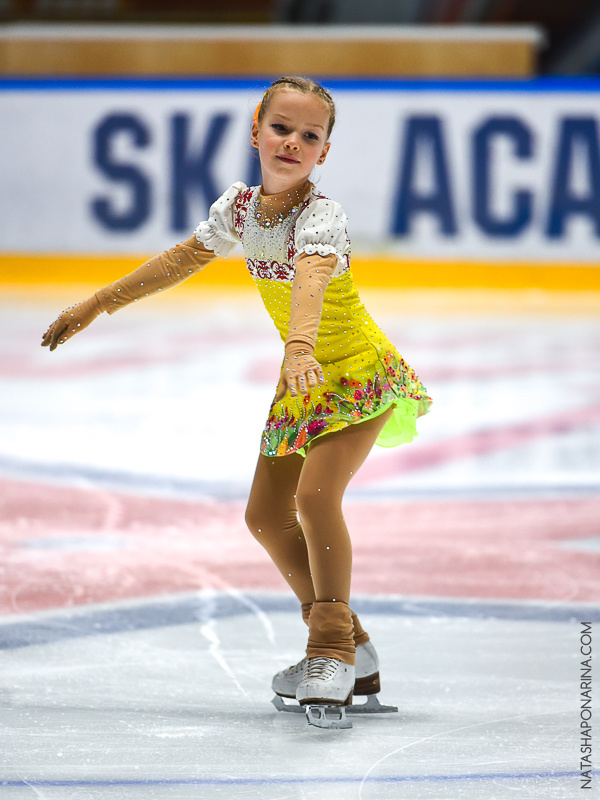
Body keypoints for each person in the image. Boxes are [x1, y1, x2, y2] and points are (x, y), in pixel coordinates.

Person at [42, 75, 431, 726]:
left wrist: (301, 347)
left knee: (314, 499)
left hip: (355, 373)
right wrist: (95, 304)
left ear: (324, 154)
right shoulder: (241, 210)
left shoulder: (321, 216)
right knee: (264, 515)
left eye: (311, 136)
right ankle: (353, 647)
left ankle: (328, 647)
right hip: (299, 380)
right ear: (256, 131)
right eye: (281, 127)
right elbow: (177, 261)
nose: (293, 142)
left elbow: (310, 282)